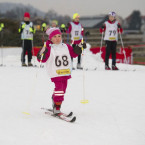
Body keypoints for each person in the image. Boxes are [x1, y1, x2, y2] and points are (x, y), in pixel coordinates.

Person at [37, 27, 86, 115]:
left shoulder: (66, 46)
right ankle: (57, 107)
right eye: (54, 37)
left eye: (59, 36)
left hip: (65, 72)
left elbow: (74, 53)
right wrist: (41, 54)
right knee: (59, 90)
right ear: (50, 38)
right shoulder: (49, 47)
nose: (57, 38)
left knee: (63, 90)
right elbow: (42, 59)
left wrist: (79, 47)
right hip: (55, 73)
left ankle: (54, 99)